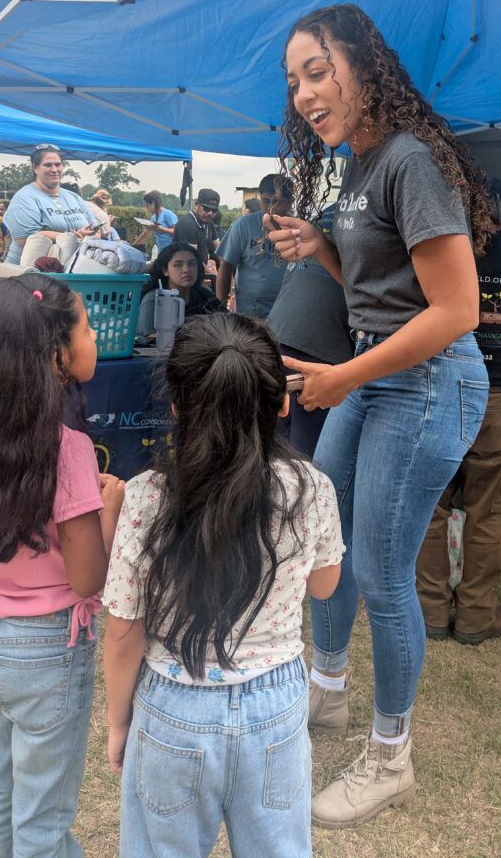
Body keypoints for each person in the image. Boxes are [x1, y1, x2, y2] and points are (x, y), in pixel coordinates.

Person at [265, 3, 491, 827]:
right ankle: (326, 692)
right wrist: (318, 247)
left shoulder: (408, 161)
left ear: (365, 68)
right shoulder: (358, 168)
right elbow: (381, 290)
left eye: (317, 72)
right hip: (375, 373)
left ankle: (389, 755)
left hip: (428, 381)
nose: (303, 93)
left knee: (387, 573)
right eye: (293, 80)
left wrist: (341, 378)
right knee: (327, 534)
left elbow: (456, 308)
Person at [102, 313, 343, 858]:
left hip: (171, 707)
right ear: (281, 403)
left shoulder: (145, 496)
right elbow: (327, 586)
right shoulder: (312, 488)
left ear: (176, 406)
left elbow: (122, 635)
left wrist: (119, 723)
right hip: (276, 707)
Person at [0, 274, 125, 857]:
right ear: (55, 355)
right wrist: (107, 506)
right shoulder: (67, 452)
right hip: (45, 656)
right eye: (86, 327)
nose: (94, 336)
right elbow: (89, 579)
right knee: (44, 819)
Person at [416, 179, 501, 644]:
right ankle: (475, 616)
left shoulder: (430, 257)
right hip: (498, 398)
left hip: (441, 389)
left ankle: (430, 611)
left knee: (431, 505)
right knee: (488, 512)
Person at [267, 202, 352, 458]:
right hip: (323, 348)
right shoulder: (366, 213)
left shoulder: (327, 212)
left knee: (274, 449)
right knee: (306, 457)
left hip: (276, 335)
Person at [3, 146, 96, 264]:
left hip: (68, 270)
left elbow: (95, 230)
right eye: (48, 165)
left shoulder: (74, 197)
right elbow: (26, 239)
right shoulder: (25, 197)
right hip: (28, 273)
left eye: (58, 164)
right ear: (35, 168)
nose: (54, 169)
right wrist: (72, 237)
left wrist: (88, 234)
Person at [216, 174, 292, 318]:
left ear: (289, 202)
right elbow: (226, 266)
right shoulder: (243, 226)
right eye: (266, 201)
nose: (271, 208)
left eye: (278, 202)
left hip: (287, 315)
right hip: (250, 314)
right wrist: (221, 310)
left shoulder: (297, 228)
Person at [136, 241, 226, 339]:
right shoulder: (154, 299)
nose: (186, 269)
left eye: (192, 264)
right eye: (178, 265)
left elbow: (229, 322)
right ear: (165, 270)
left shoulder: (204, 295)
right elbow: (151, 339)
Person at [171, 188, 221, 267]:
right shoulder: (187, 224)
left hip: (199, 271)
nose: (210, 213)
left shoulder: (209, 222)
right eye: (206, 208)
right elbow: (192, 259)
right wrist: (212, 274)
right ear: (197, 204)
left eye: (214, 210)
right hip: (183, 273)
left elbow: (219, 249)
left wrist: (228, 273)